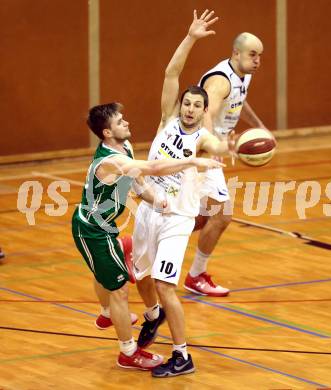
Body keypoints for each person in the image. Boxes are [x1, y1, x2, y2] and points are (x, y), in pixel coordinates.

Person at [71, 102, 223, 371]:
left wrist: (156, 200)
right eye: (120, 121)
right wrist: (192, 160)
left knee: (107, 273)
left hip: (105, 228)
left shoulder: (124, 149)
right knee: (119, 290)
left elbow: (139, 183)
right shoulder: (111, 160)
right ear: (107, 133)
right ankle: (127, 353)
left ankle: (107, 313)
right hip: (92, 230)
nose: (126, 123)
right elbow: (152, 168)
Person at [132, 10, 235, 377]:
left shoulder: (202, 138)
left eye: (197, 105)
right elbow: (171, 73)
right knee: (140, 276)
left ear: (205, 110)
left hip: (176, 218)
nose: (191, 108)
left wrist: (230, 147)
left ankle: (182, 355)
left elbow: (218, 147)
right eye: (187, 103)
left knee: (164, 284)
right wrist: (191, 37)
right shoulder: (167, 120)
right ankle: (152, 316)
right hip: (147, 210)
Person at [184, 31, 266, 297]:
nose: (257, 61)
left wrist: (260, 127)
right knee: (222, 216)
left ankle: (137, 252)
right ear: (236, 53)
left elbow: (238, 104)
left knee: (197, 217)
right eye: (253, 55)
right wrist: (211, 148)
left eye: (260, 56)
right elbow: (206, 113)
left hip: (207, 149)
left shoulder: (242, 77)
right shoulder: (220, 80)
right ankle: (196, 275)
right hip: (202, 151)